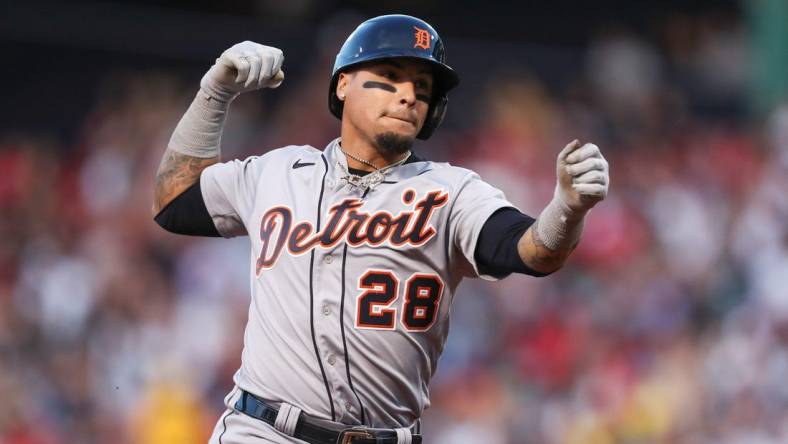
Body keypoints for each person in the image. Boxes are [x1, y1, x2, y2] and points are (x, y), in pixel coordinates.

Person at [152, 14, 609, 444]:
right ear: (343, 84)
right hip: (264, 429)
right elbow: (174, 202)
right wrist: (215, 92)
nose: (408, 95)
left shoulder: (452, 192)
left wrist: (567, 209)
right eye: (390, 77)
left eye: (422, 87)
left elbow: (530, 250)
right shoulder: (278, 172)